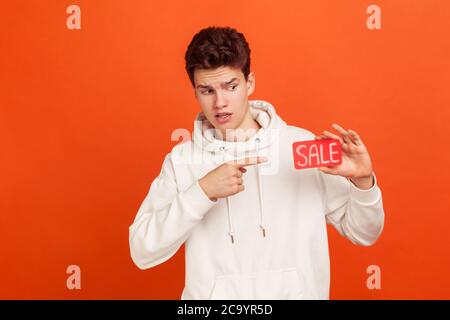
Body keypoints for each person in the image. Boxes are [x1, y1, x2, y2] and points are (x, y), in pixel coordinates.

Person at [129, 26, 385, 300]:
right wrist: (203, 191)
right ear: (195, 92)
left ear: (249, 82)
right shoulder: (182, 161)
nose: (220, 102)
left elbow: (364, 233)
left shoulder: (300, 145)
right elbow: (142, 251)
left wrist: (362, 183)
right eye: (207, 90)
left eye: (231, 86)